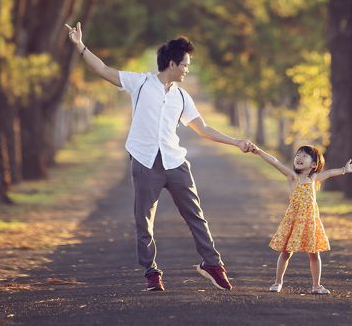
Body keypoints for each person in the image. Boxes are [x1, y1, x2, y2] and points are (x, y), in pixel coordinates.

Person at [64, 23, 254, 292]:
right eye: (186, 64)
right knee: (144, 221)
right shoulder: (140, 83)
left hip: (176, 163)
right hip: (144, 162)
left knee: (196, 216)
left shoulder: (182, 97)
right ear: (173, 64)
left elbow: (204, 129)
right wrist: (80, 47)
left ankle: (212, 264)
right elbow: (104, 70)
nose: (188, 69)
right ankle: (152, 273)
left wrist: (236, 142)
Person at [248, 143, 352, 295]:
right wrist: (259, 151)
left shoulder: (314, 178)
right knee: (286, 252)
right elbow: (275, 161)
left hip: (310, 222)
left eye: (304, 156)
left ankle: (316, 285)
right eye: (297, 155)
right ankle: (277, 282)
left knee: (314, 253)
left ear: (313, 164)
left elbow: (330, 173)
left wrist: (344, 170)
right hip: (293, 220)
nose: (299, 158)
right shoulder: (293, 177)